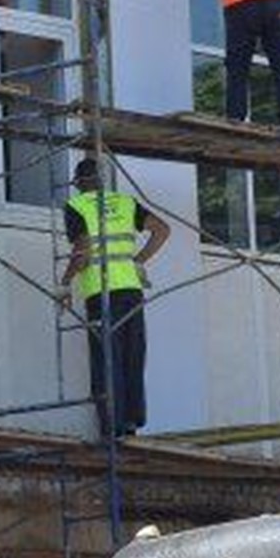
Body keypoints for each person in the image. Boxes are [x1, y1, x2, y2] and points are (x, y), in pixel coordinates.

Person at [63, 158, 168, 438]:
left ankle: (112, 429)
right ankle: (132, 423)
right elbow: (162, 229)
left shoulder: (77, 206)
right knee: (132, 356)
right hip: (131, 292)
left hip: (101, 293)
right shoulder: (125, 202)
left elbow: (83, 250)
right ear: (101, 180)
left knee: (106, 360)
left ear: (79, 183)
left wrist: (64, 282)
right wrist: (138, 261)